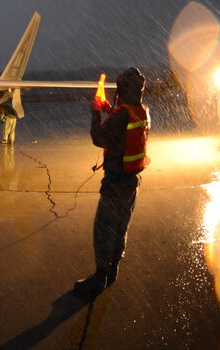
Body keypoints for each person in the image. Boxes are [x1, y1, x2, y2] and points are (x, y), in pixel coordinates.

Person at [74, 67, 150, 294]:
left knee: (104, 229)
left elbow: (100, 137)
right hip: (131, 182)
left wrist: (95, 113)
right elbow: (122, 126)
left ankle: (99, 278)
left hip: (115, 182)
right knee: (120, 228)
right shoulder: (140, 111)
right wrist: (109, 108)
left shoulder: (122, 115)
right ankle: (112, 270)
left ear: (123, 89)